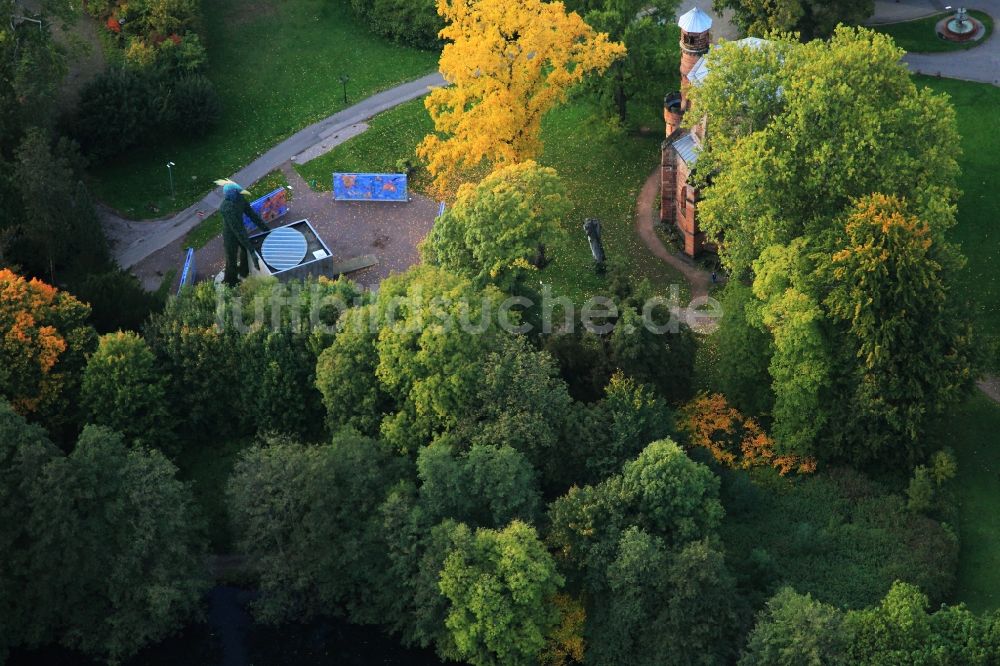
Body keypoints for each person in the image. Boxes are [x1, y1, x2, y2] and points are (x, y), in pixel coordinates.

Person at [220, 183, 270, 286]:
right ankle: (230, 281)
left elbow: (251, 214)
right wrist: (252, 251)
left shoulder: (240, 199)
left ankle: (244, 272)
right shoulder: (226, 207)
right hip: (230, 235)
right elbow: (236, 230)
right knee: (231, 259)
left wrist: (266, 229)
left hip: (240, 229)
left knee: (245, 251)